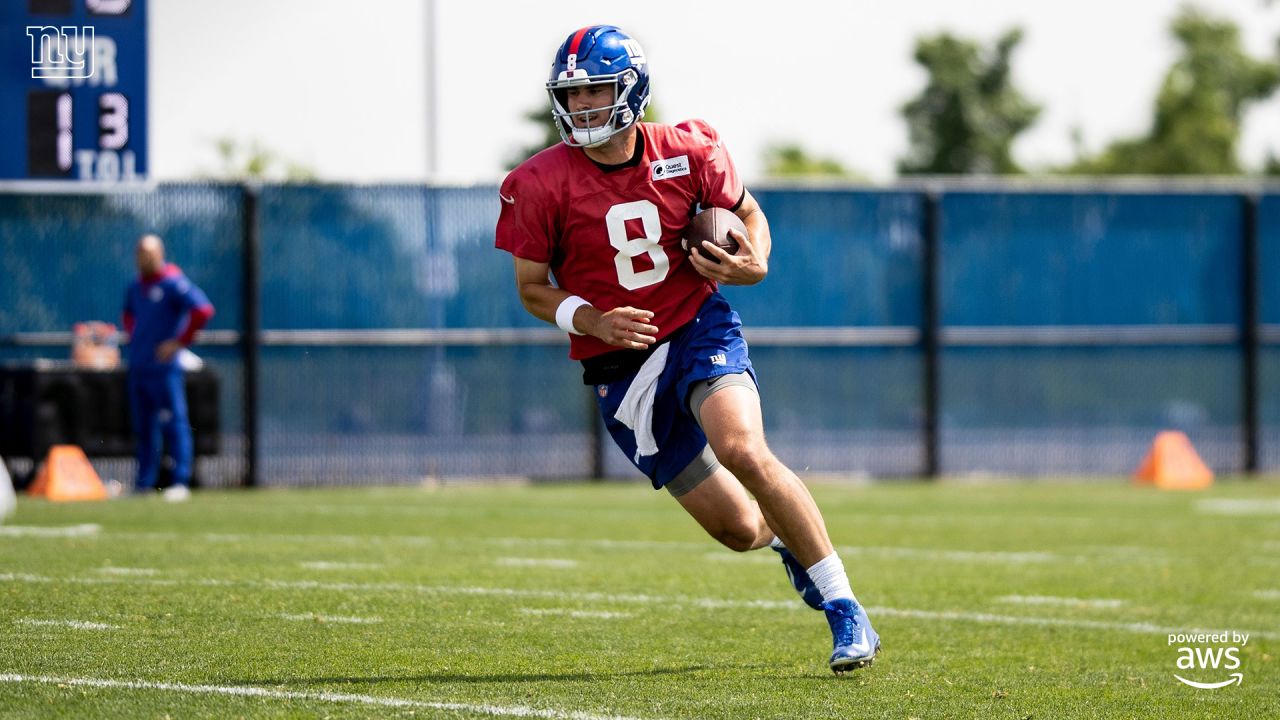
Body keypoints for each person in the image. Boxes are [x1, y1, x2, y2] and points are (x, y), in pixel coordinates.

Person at [495, 25, 879, 673]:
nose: (585, 104)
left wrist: (754, 262)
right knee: (740, 531)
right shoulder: (537, 183)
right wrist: (591, 319)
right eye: (574, 93)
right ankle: (789, 544)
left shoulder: (690, 149)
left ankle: (846, 609)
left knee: (743, 449)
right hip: (619, 362)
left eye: (597, 89)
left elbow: (748, 214)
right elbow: (532, 290)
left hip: (698, 325)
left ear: (632, 89)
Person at [121, 234, 215, 502]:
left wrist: (179, 343)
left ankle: (180, 480)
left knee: (174, 423)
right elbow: (127, 315)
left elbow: (203, 310)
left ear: (160, 253)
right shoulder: (135, 287)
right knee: (144, 427)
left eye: (149, 252)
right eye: (140, 252)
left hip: (164, 369)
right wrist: (136, 336)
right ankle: (144, 483)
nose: (144, 257)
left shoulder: (173, 282)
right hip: (139, 366)